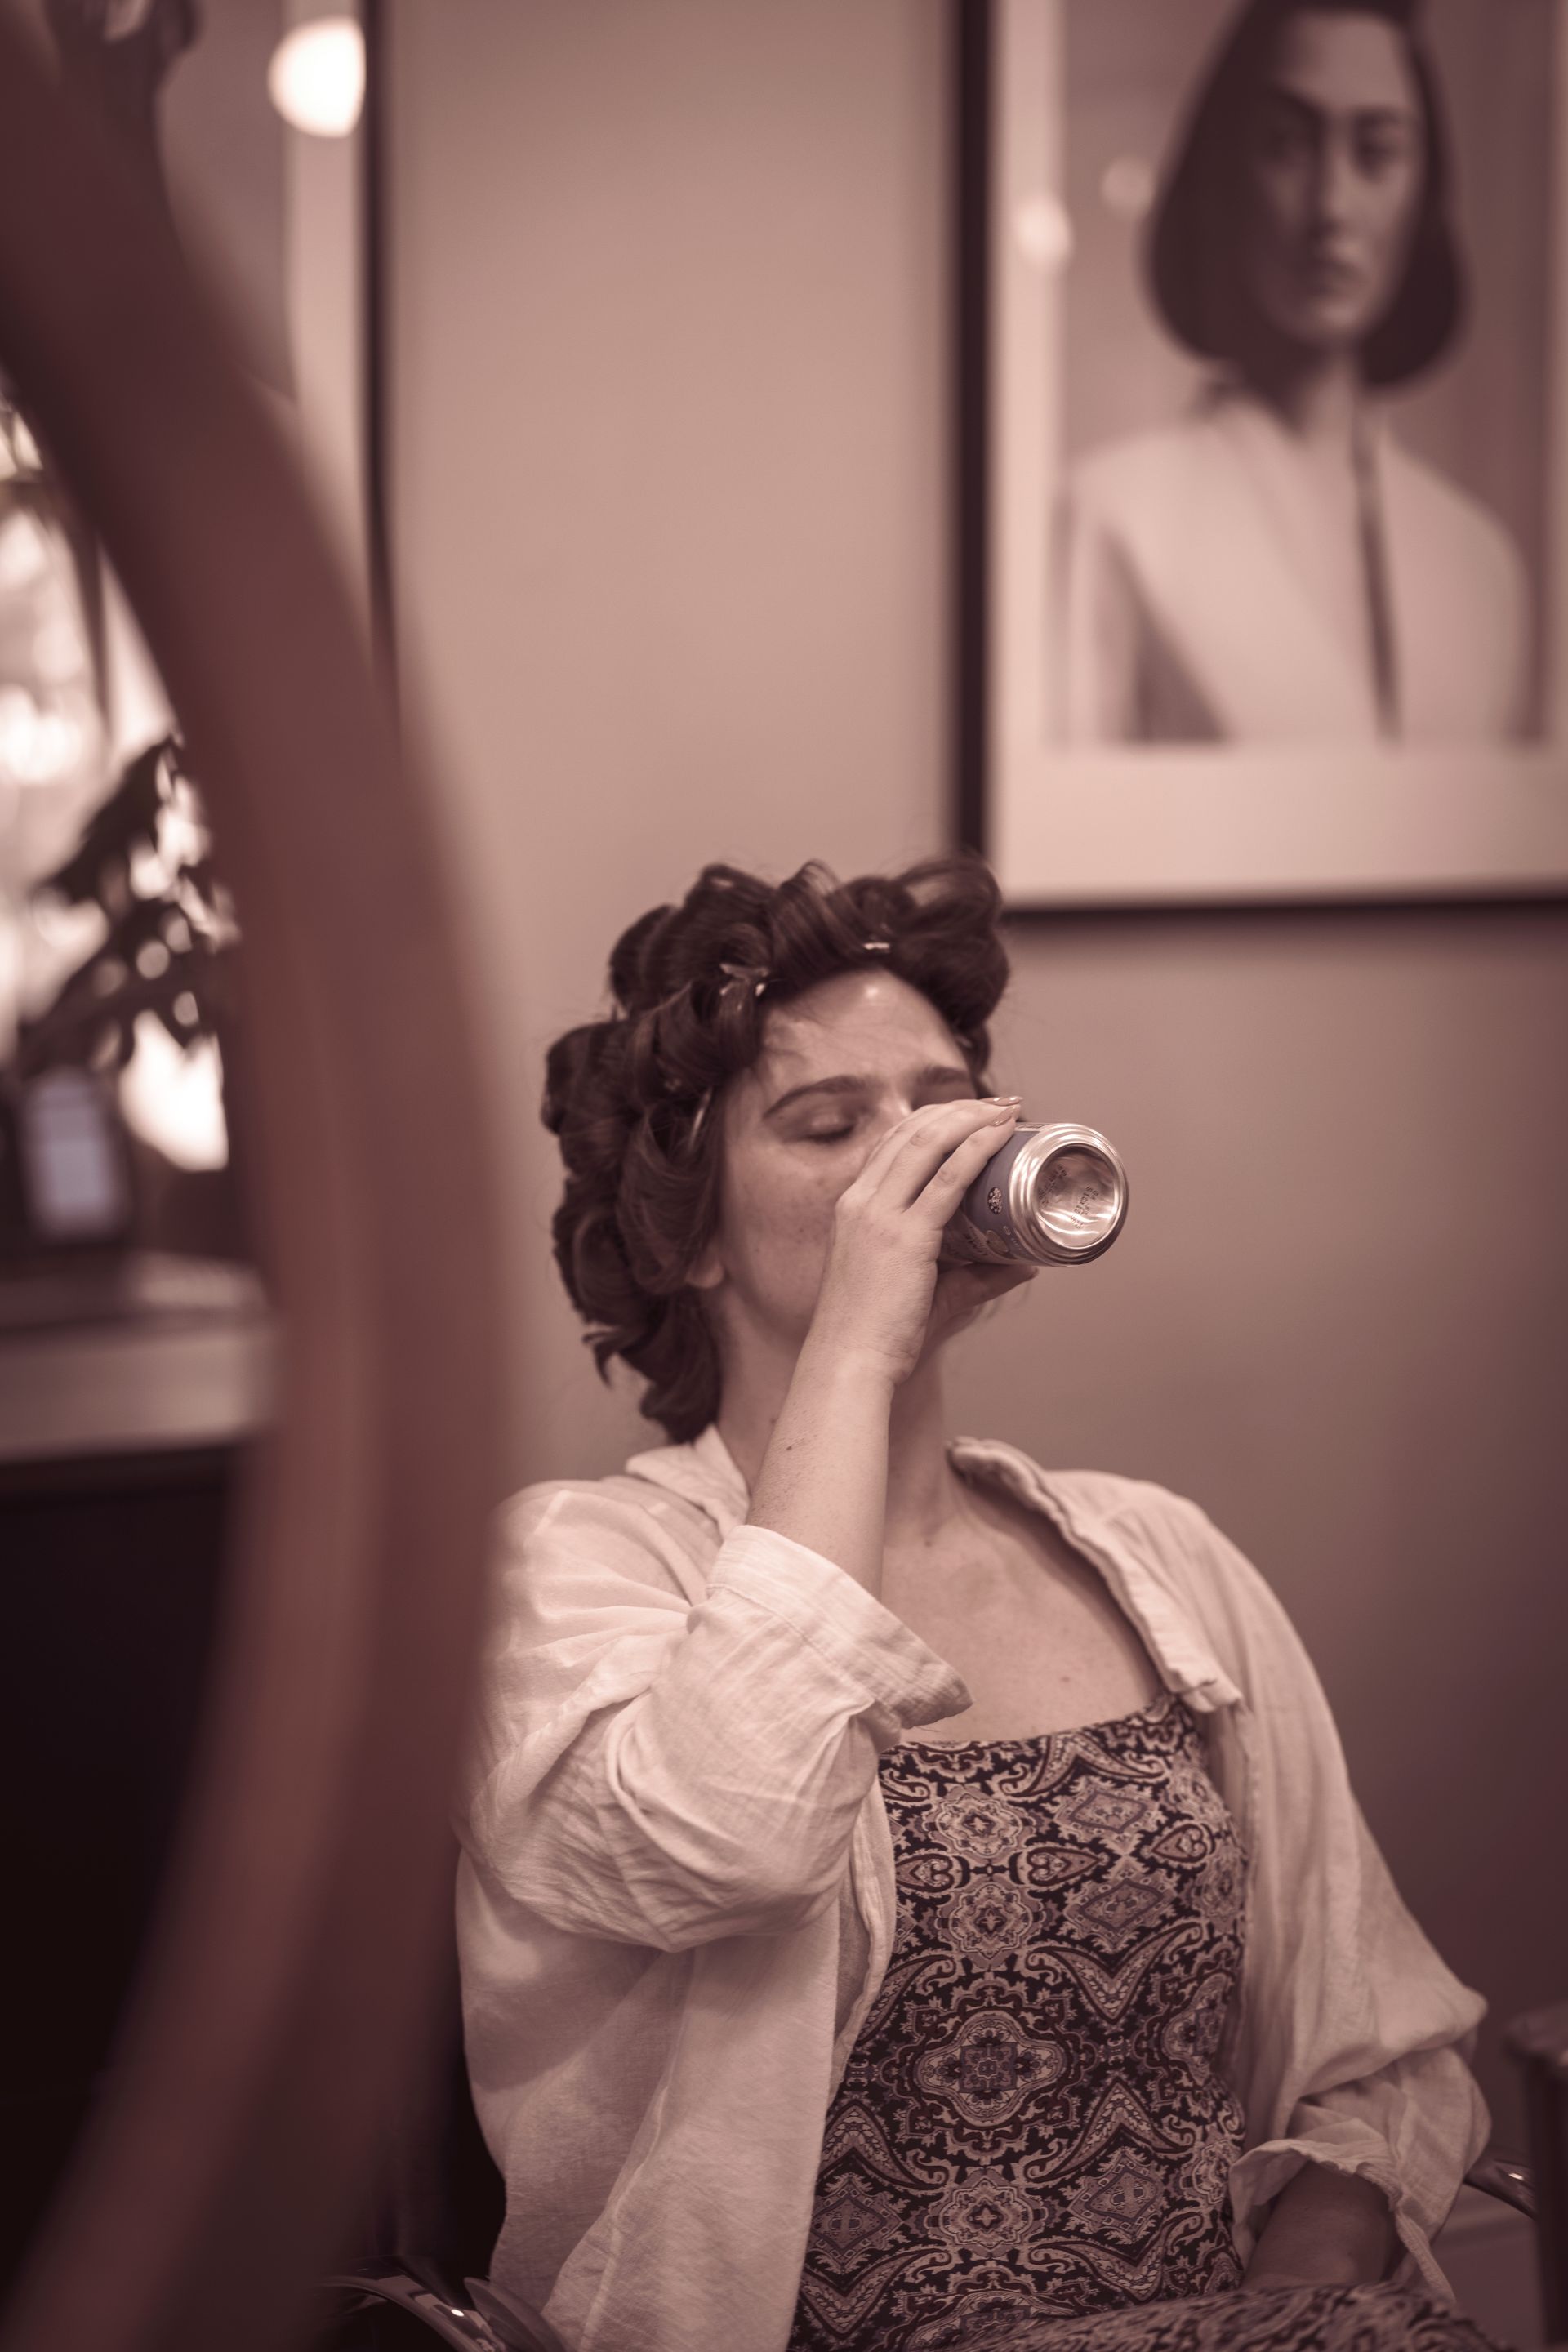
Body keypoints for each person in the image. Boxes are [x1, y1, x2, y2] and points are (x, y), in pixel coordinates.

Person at [456, 856, 1496, 2352]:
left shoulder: (1158, 1559)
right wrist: (857, 1349)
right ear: (690, 1239)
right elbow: (727, 1838)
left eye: (945, 1107)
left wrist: (1312, 2277)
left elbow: (1377, 2041)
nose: (919, 1162)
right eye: (834, 1127)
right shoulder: (568, 1575)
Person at [1059, 0, 1529, 746]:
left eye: (1376, 152)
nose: (1332, 208)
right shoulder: (1110, 514)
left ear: (1423, 190)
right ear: (1224, 173)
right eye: (1286, 144)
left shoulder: (1481, 565)